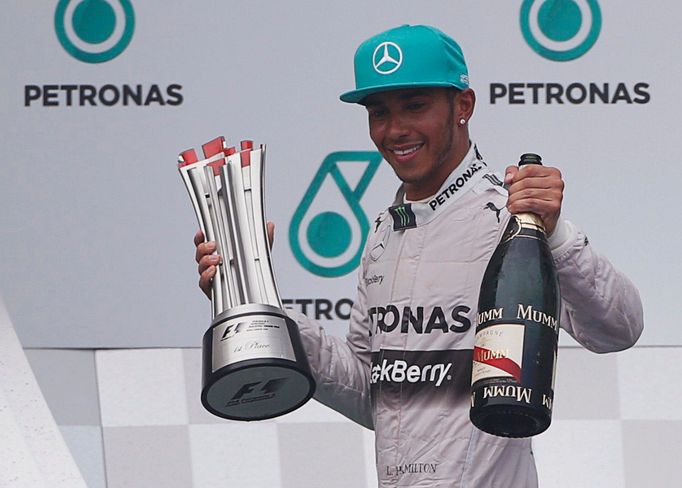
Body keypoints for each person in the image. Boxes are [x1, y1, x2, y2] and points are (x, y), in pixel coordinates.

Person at [194, 25, 643, 488]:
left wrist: (558, 234)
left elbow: (619, 329)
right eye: (378, 112)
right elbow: (376, 397)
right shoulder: (385, 232)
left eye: (415, 106)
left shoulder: (513, 220)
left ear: (462, 107)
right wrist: (258, 308)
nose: (395, 130)